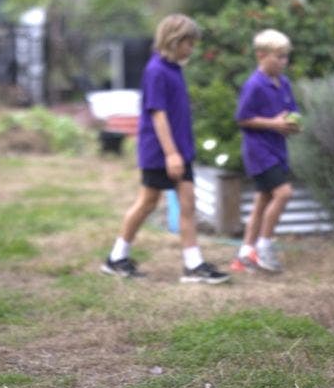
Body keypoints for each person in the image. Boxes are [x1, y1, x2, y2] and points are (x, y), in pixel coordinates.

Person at [102, 14, 230, 284]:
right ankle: (116, 258)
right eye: (189, 43)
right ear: (175, 40)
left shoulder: (173, 68)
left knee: (187, 202)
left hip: (179, 151)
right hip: (160, 152)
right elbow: (158, 115)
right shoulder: (156, 70)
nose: (192, 49)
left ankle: (193, 264)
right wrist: (171, 154)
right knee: (147, 203)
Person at [229, 29, 301, 273]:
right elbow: (243, 118)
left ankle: (244, 254)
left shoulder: (284, 83)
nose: (283, 62)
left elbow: (291, 110)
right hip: (259, 151)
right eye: (278, 57)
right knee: (283, 193)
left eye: (285, 57)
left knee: (263, 200)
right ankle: (264, 246)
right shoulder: (254, 85)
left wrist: (292, 123)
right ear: (261, 55)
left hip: (278, 148)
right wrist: (274, 124)